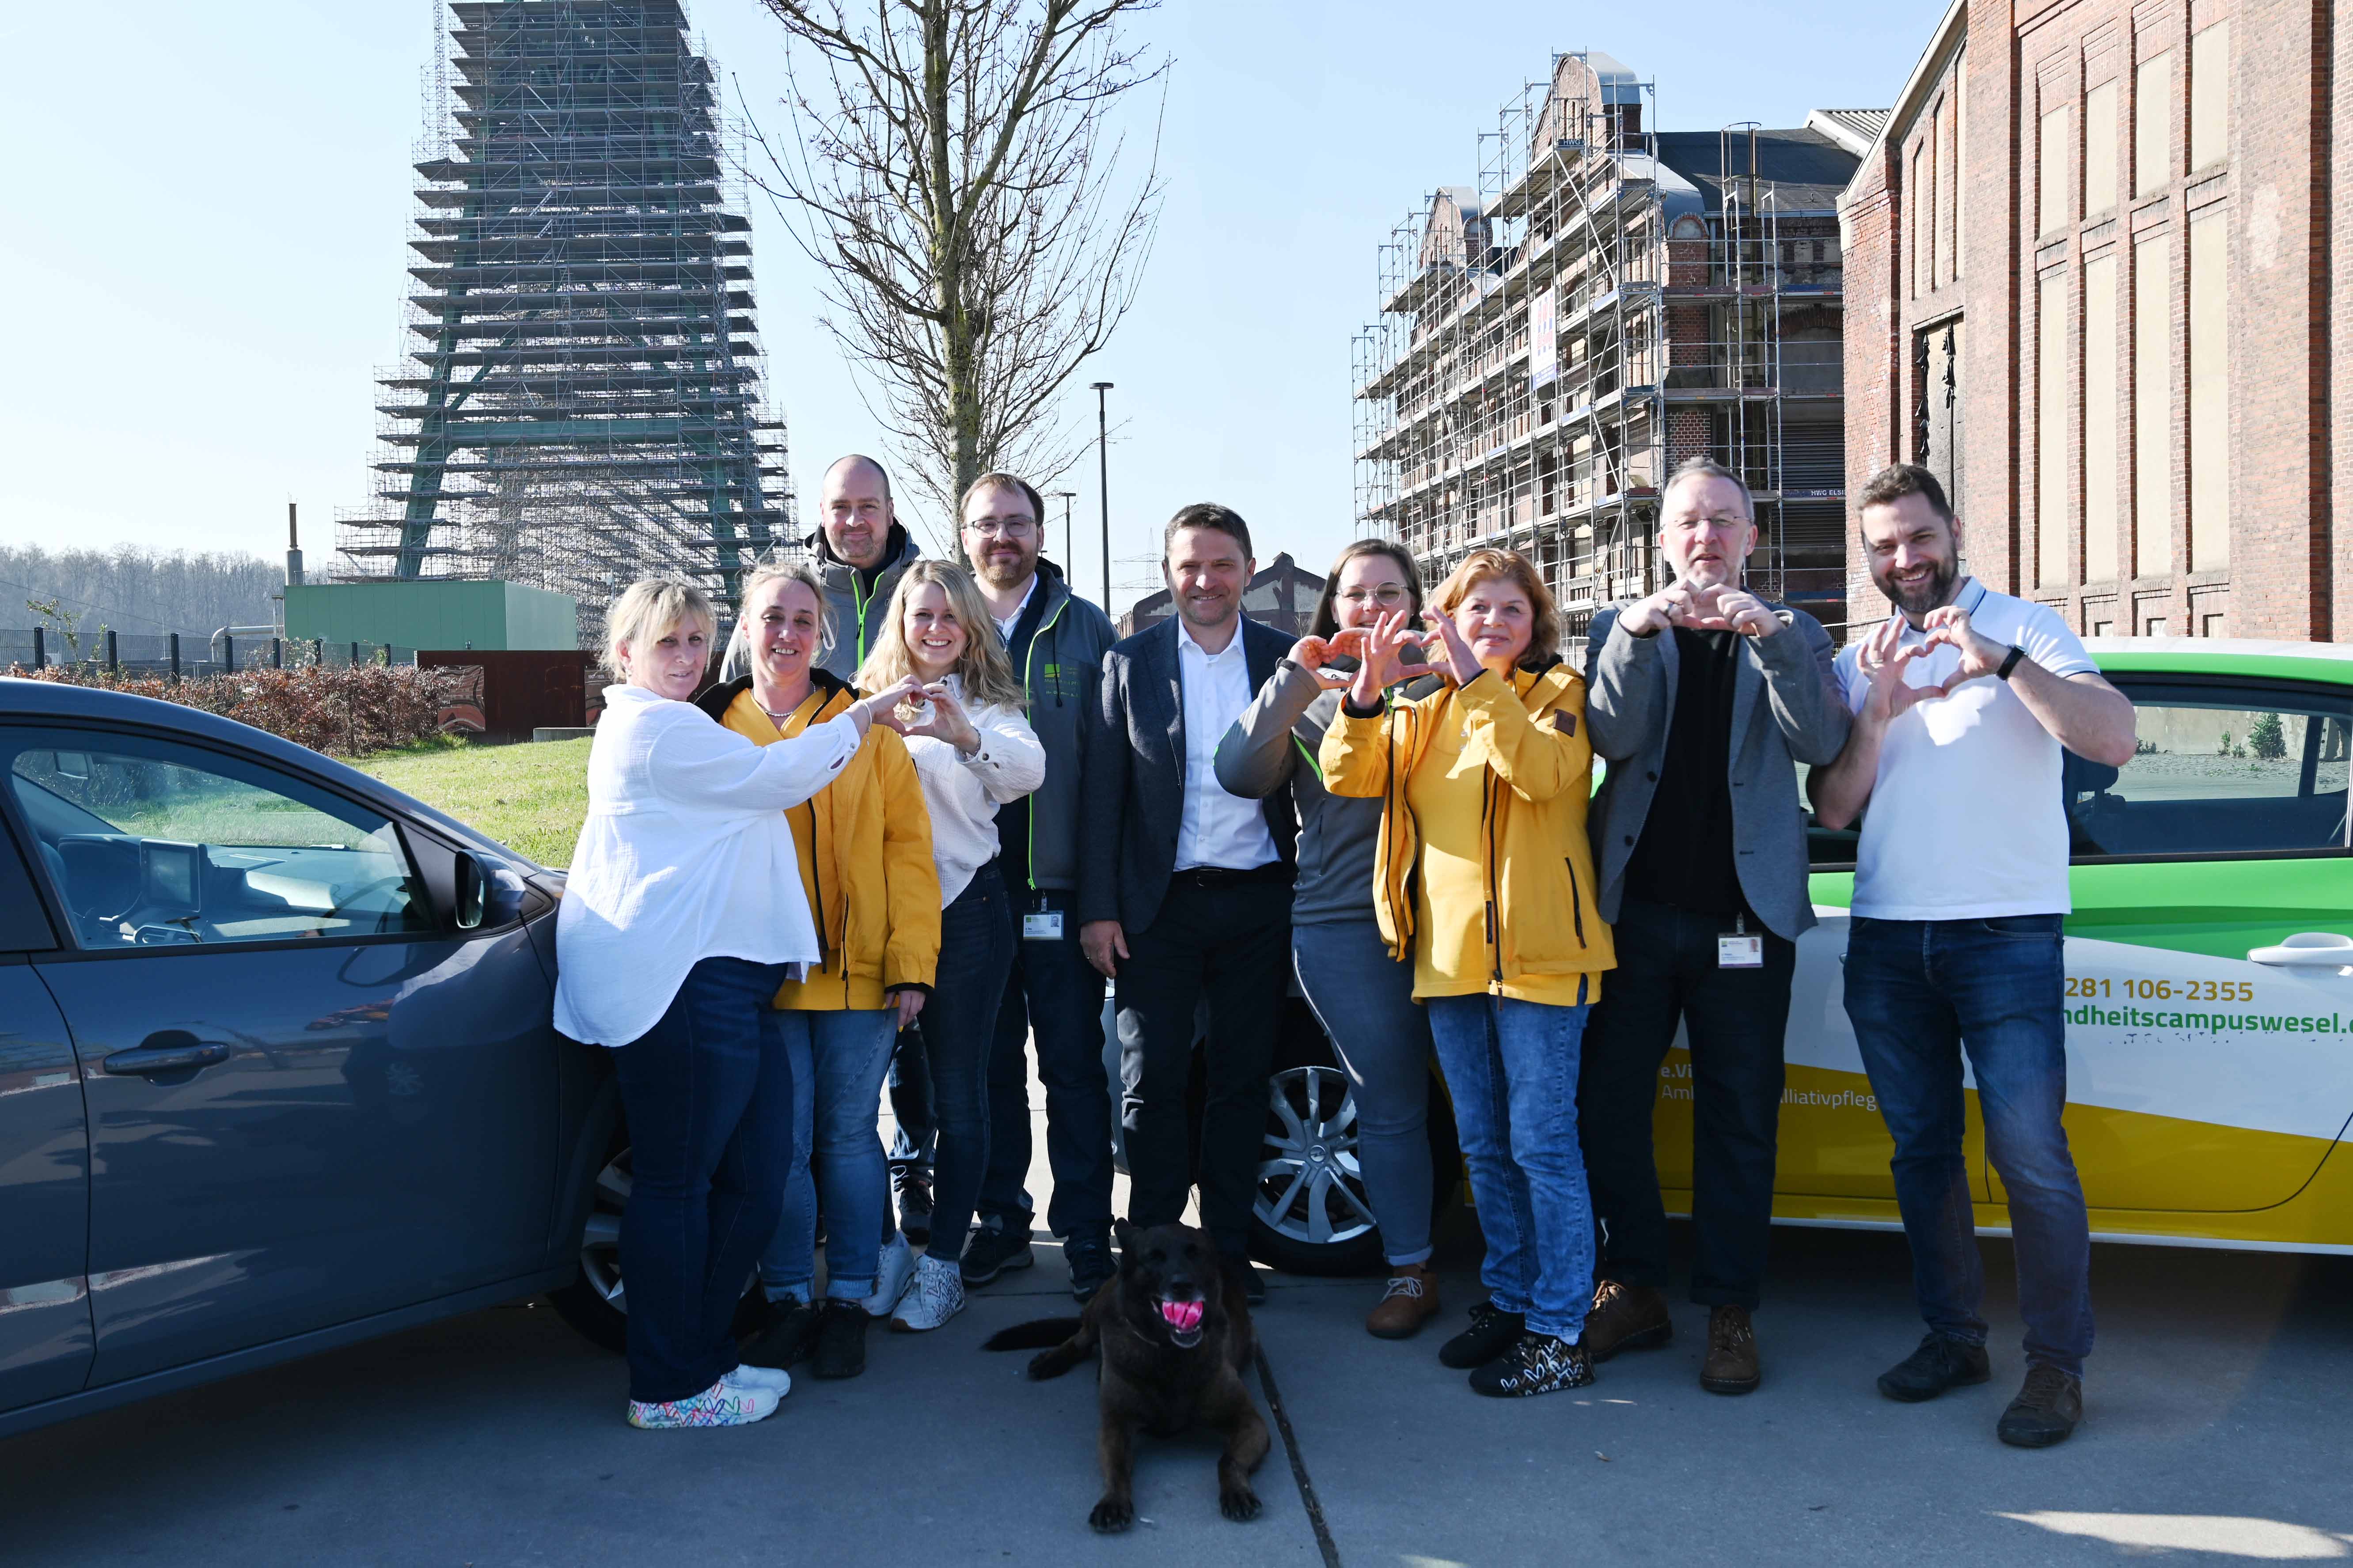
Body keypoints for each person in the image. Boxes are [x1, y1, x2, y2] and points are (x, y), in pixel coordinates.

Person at [1809, 463, 2137, 1448]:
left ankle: (2055, 1365)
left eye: (1918, 536)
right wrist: (1876, 712)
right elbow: (1833, 807)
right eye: (1883, 545)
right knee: (1921, 1151)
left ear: (1953, 529)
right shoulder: (1855, 658)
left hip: (2006, 933)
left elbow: (2113, 739)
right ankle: (1953, 1337)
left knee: (2029, 1156)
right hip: (1886, 935)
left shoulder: (2027, 626)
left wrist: (1999, 662)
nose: (1904, 558)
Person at [553, 578, 907, 1428]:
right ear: (625, 652)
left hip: (731, 983)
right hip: (683, 983)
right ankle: (668, 1385)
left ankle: (703, 1356)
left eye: (697, 640)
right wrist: (863, 714)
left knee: (752, 1177)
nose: (687, 657)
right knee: (679, 1185)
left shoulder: (678, 723)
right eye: (666, 641)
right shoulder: (654, 728)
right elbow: (778, 776)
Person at [1577, 458, 1852, 1396]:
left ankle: (1730, 1307)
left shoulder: (1795, 631)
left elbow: (1820, 742)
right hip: (1635, 918)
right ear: (1662, 540)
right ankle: (1634, 1284)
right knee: (1608, 1103)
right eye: (1689, 522)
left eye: (1724, 521)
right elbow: (1610, 737)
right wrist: (1635, 632)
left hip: (1747, 923)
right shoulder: (1621, 628)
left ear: (1750, 538)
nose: (1706, 537)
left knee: (1739, 1116)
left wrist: (1768, 640)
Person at [1322, 548, 1615, 1398]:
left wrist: (1477, 682)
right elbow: (1348, 772)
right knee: (1484, 1144)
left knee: (1542, 1145)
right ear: (1446, 616)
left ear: (1536, 624)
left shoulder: (1557, 693)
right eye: (1475, 608)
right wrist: (1367, 692)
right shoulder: (1421, 708)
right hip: (1450, 960)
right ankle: (1512, 1299)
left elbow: (1541, 774)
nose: (1493, 622)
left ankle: (1561, 1330)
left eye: (1511, 610)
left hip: (1544, 960)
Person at [701, 562, 941, 1382]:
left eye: (804, 620)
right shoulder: (711, 723)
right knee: (780, 1144)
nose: (788, 633)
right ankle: (786, 1299)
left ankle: (848, 1299)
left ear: (823, 633)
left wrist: (911, 966)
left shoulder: (865, 725)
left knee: (844, 1136)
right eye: (772, 617)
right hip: (757, 979)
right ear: (746, 626)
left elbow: (908, 853)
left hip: (858, 975)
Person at [1215, 539, 1444, 1339]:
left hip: (1457, 921)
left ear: (1415, 601)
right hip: (1347, 926)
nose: (1372, 607)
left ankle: (1528, 1276)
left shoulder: (1453, 682)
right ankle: (1410, 1269)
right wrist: (1296, 675)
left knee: (1496, 1104)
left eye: (1389, 592)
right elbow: (1239, 770)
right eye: (1356, 594)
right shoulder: (1314, 701)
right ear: (1333, 608)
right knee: (1388, 1103)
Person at [1079, 504, 1298, 1301]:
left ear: (1248, 570)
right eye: (1188, 566)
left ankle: (1228, 1255)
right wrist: (1099, 909)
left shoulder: (1283, 659)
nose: (1204, 581)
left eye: (1221, 564)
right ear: (1169, 573)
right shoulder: (1129, 662)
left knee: (1240, 1083)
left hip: (1258, 903)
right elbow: (1103, 795)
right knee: (1152, 1084)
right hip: (1157, 908)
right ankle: (1153, 1249)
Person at [852, 559, 1044, 1329]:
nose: (934, 629)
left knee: (960, 1095)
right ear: (899, 620)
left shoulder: (989, 704)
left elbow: (1027, 772)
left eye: (949, 617)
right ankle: (885, 1250)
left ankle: (941, 1267)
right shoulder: (863, 700)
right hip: (874, 922)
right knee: (855, 1104)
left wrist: (963, 734)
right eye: (921, 614)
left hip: (964, 913)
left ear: (970, 629)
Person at [958, 472, 1125, 1302]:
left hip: (1057, 895)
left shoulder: (1085, 627)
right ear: (964, 536)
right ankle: (1001, 1221)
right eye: (987, 524)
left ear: (1040, 533)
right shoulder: (941, 624)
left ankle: (1087, 1233)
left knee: (1072, 1069)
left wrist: (1099, 902)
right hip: (969, 896)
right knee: (987, 1070)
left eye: (1017, 523)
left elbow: (1110, 774)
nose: (1003, 538)